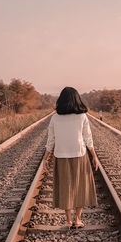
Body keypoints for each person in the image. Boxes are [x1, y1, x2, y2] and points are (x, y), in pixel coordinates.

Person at [43, 87, 98, 229]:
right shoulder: (82, 116)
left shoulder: (55, 117)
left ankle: (68, 220)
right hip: (80, 155)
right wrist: (94, 156)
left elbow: (51, 140)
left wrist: (46, 158)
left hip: (61, 156)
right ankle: (78, 219)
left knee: (65, 187)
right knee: (80, 187)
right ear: (77, 99)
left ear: (61, 100)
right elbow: (88, 138)